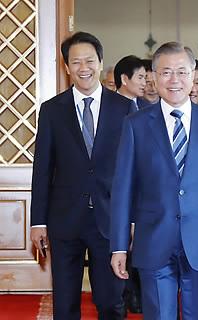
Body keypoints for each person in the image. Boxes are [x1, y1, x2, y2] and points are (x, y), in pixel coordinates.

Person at [110, 41, 198, 320]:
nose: (174, 80)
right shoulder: (135, 124)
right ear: (154, 77)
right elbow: (123, 189)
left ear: (194, 75)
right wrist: (119, 245)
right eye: (166, 72)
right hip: (154, 238)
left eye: (182, 72)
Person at [30, 31, 134, 320]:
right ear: (67, 67)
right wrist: (37, 221)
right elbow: (42, 168)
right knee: (64, 304)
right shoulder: (52, 111)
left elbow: (133, 169)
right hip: (64, 219)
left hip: (110, 218)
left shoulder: (125, 108)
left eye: (90, 60)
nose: (83, 67)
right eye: (76, 62)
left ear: (101, 63)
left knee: (111, 301)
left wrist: (134, 218)